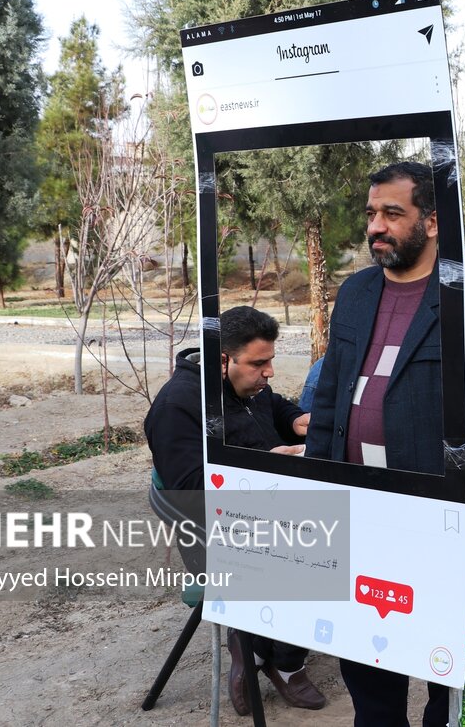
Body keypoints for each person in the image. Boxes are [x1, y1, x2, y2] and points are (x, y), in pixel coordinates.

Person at [304, 161, 465, 727]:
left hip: (434, 522)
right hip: (356, 515)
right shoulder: (353, 294)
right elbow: (328, 404)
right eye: (372, 213)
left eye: (393, 214)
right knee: (367, 672)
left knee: (444, 673)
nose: (377, 226)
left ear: (432, 221)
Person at [144, 305, 326, 715]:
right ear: (223, 360)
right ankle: (285, 662)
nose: (269, 373)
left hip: (269, 511)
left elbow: (273, 404)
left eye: (271, 361)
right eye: (259, 363)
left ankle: (256, 652)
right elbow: (190, 493)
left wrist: (297, 420)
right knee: (317, 555)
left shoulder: (246, 386)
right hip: (212, 536)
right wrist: (263, 469)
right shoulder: (178, 406)